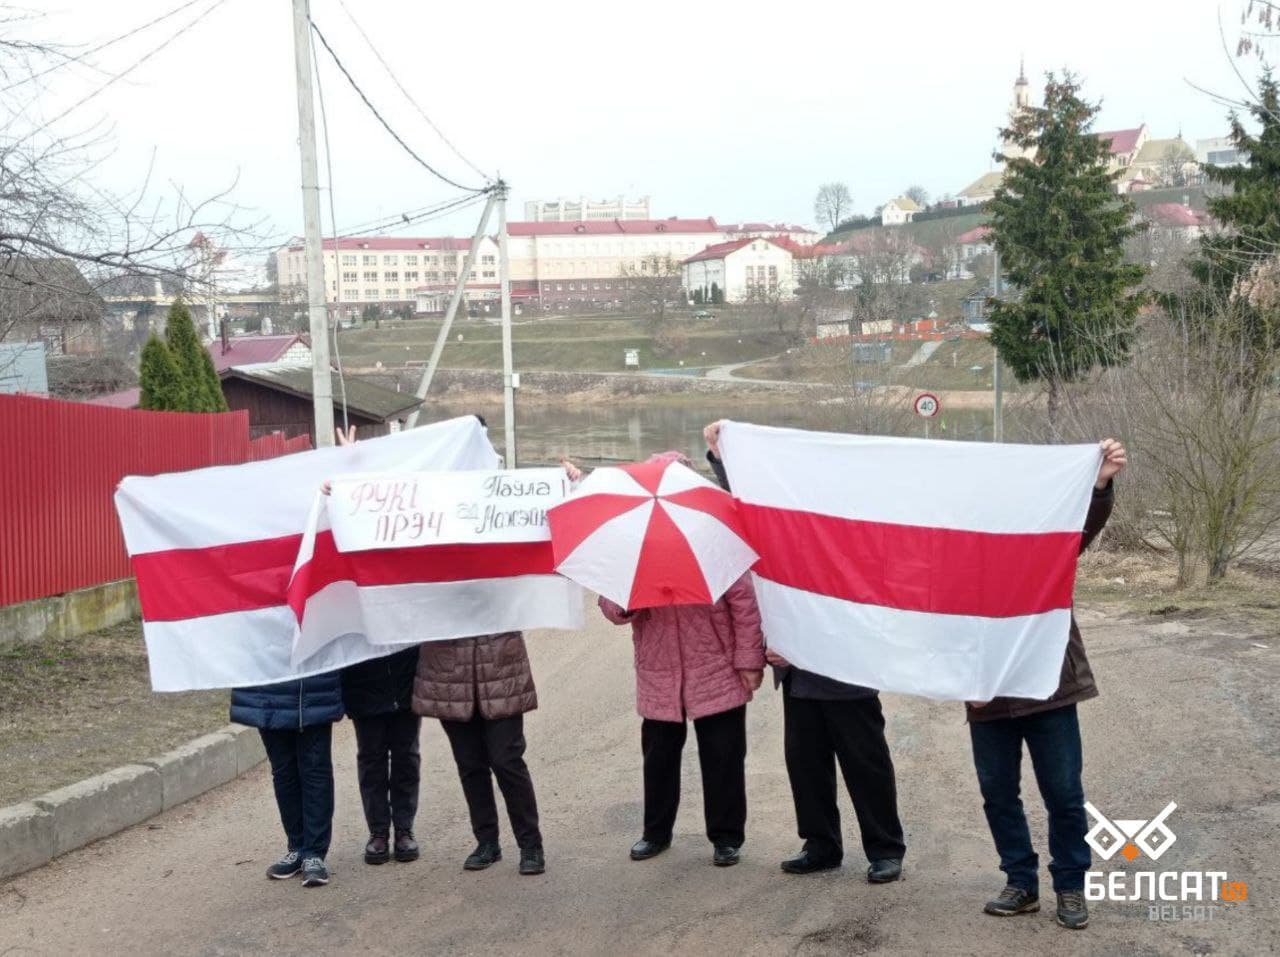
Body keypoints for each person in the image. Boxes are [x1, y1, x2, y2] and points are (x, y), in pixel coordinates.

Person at [702, 421, 907, 884]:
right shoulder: (787, 526)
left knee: (866, 764)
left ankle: (885, 848)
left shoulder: (857, 530)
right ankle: (820, 844)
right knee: (806, 765)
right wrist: (721, 458)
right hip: (797, 673)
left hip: (849, 672)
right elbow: (751, 507)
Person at [967, 438, 1127, 931]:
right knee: (998, 793)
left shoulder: (1043, 542)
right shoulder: (958, 554)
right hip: (987, 693)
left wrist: (1099, 484)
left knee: (1062, 792)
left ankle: (1070, 886)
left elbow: (1083, 527)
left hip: (1050, 688)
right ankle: (1020, 881)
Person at [592, 450, 766, 868]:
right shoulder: (635, 545)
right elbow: (611, 607)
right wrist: (628, 603)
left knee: (723, 757)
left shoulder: (717, 539)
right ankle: (655, 832)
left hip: (716, 668)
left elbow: (744, 605)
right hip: (660, 672)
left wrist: (749, 661)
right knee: (659, 758)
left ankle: (726, 837)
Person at [412, 632, 547, 876]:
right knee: (469, 763)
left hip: (501, 667)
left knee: (507, 761)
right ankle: (487, 842)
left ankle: (530, 845)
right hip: (449, 673)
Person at [230, 672, 344, 887]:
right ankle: (297, 847)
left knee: (315, 770)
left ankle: (314, 853)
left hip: (312, 689)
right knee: (284, 773)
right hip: (266, 690)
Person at [340, 645, 422, 865]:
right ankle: (378, 832)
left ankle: (404, 829)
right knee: (371, 760)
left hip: (406, 678)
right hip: (363, 683)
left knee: (406, 758)